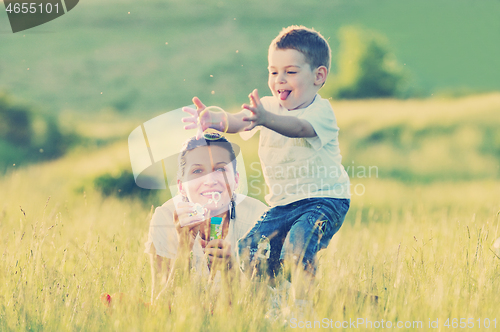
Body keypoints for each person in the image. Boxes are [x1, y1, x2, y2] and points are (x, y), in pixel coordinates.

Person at [182, 25, 350, 315]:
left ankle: (302, 309)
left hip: (324, 201)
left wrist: (264, 119)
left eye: (291, 72)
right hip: (283, 205)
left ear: (318, 76)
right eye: (273, 72)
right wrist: (214, 118)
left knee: (299, 246)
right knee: (249, 250)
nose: (279, 80)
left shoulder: (320, 112)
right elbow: (237, 121)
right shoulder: (267, 107)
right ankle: (269, 306)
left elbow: (298, 128)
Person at [144, 133, 268, 303]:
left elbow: (267, 308)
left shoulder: (259, 218)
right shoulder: (165, 218)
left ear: (236, 180)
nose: (210, 181)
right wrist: (183, 249)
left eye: (220, 169)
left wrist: (231, 273)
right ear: (181, 186)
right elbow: (160, 310)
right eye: (197, 171)